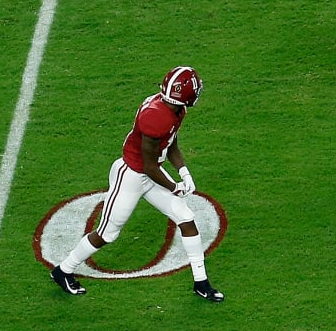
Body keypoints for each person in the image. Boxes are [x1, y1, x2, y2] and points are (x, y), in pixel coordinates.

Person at [48, 66, 224, 302]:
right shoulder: (156, 117)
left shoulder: (174, 108)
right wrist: (175, 186)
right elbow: (150, 166)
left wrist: (184, 171)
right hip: (131, 176)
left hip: (148, 173)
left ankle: (201, 282)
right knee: (106, 234)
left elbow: (170, 141)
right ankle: (63, 270)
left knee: (186, 217)